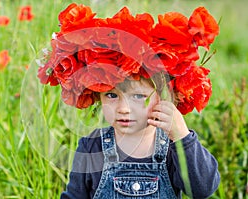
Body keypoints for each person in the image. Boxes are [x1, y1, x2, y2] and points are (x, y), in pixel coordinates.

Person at [37, 3, 220, 198]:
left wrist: (183, 136)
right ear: (97, 95)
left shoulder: (171, 149)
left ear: (165, 98)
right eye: (112, 95)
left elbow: (203, 189)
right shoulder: (91, 147)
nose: (124, 109)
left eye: (139, 97)